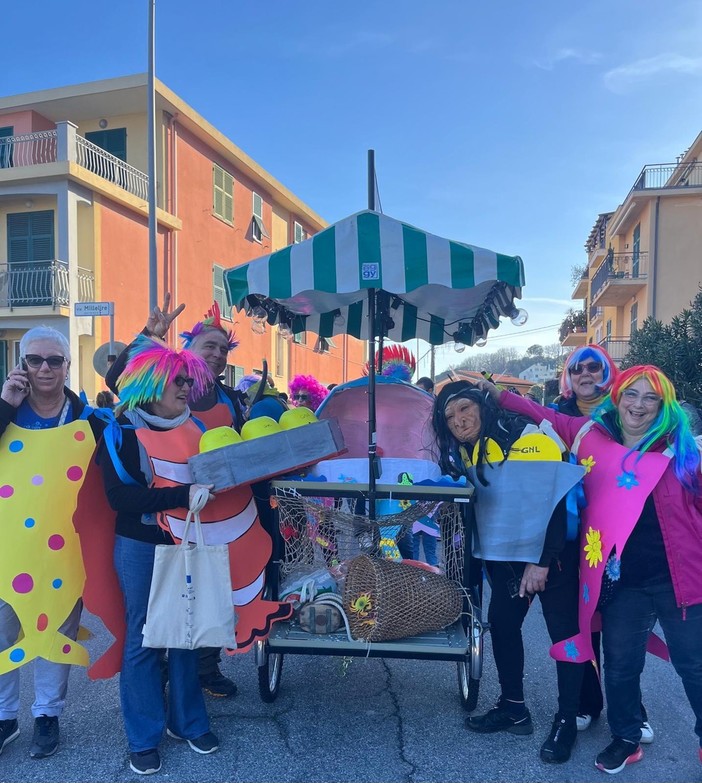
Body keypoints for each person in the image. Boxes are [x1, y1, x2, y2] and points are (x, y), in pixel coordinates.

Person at [481, 365, 702, 774]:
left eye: (650, 397)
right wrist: (495, 395)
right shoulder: (589, 437)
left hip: (680, 578)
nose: (639, 405)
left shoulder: (685, 453)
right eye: (631, 395)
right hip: (622, 583)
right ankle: (626, 737)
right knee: (620, 665)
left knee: (694, 665)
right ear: (616, 397)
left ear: (662, 404)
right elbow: (546, 416)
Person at [432, 381, 587, 764]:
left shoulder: (526, 436)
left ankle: (567, 720)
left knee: (564, 637)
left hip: (552, 557)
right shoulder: (467, 450)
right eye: (450, 416)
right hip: (506, 560)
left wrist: (542, 561)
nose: (459, 420)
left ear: (484, 406)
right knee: (502, 626)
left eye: (465, 409)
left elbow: (555, 501)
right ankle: (514, 708)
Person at [106, 295, 244, 698]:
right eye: (209, 347)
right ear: (188, 351)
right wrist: (150, 335)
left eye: (223, 349)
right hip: (155, 521)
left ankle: (205, 670)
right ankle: (159, 684)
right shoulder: (148, 397)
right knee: (151, 623)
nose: (216, 356)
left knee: (201, 608)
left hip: (208, 517)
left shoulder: (229, 399)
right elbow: (120, 379)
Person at [99, 336, 219, 775]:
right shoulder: (121, 431)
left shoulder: (200, 430)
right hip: (139, 546)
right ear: (151, 384)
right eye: (176, 380)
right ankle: (143, 735)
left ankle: (187, 722)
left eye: (188, 379)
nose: (185, 386)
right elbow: (119, 498)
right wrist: (181, 495)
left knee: (187, 634)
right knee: (144, 639)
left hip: (189, 542)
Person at [0, 327, 104, 759]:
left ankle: (47, 715)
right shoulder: (6, 412)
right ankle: (5, 717)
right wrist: (5, 404)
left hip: (65, 548)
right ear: (21, 365)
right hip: (9, 548)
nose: (45, 368)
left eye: (54, 360)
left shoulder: (88, 419)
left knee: (56, 628)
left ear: (67, 365)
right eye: (35, 360)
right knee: (3, 632)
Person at [554, 345, 653, 741]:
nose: (587, 373)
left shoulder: (621, 416)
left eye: (595, 366)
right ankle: (586, 703)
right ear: (569, 375)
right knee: (581, 622)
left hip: (616, 536)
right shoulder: (555, 415)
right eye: (578, 368)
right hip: (567, 537)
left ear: (608, 371)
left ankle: (632, 710)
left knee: (620, 626)